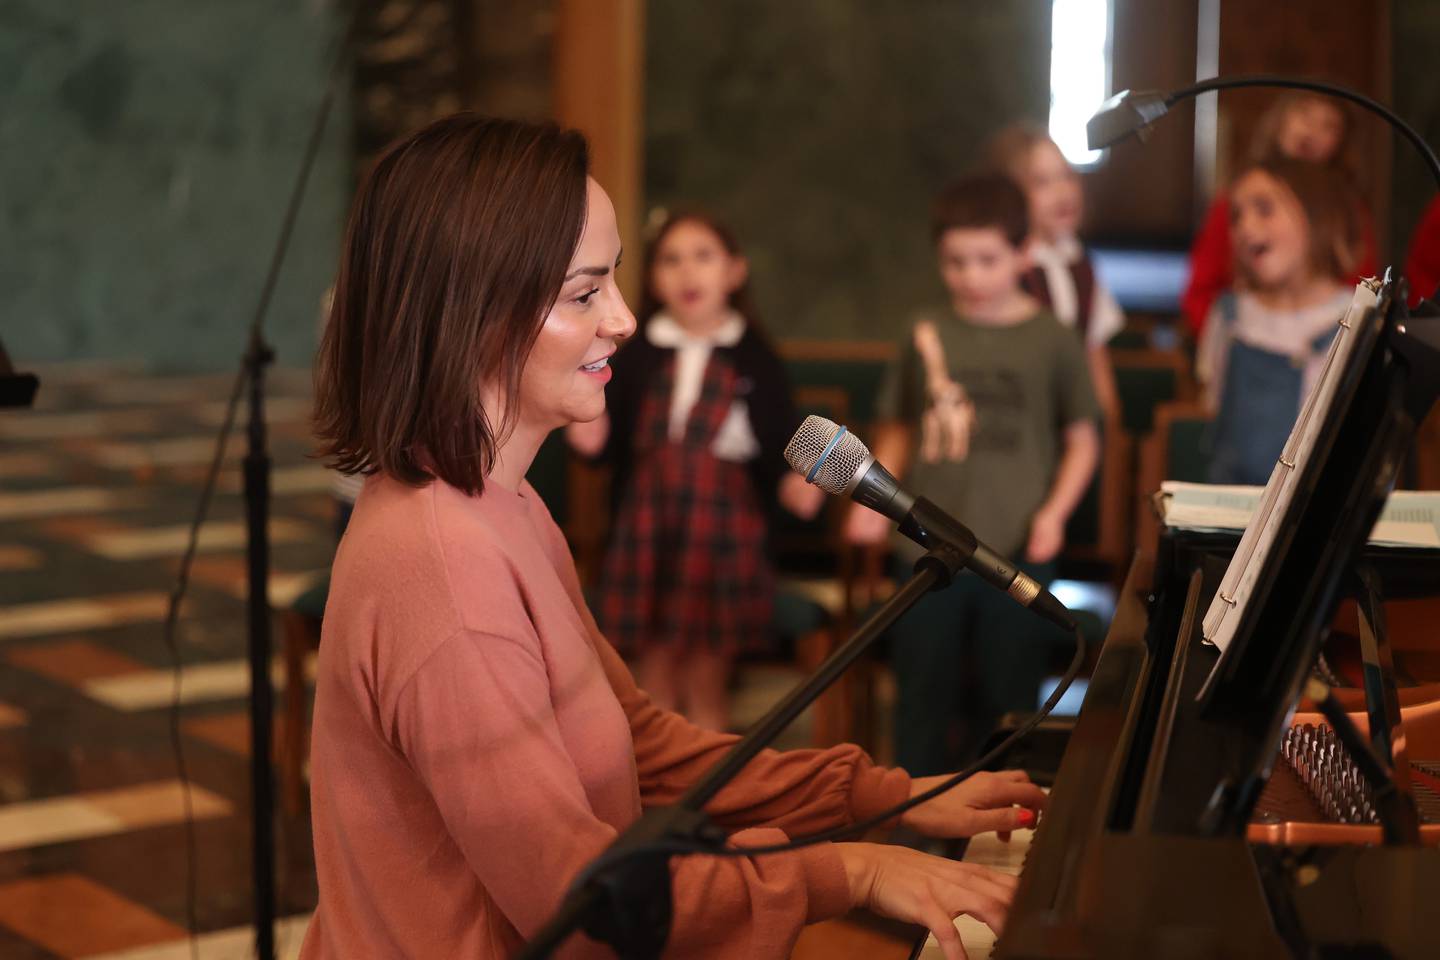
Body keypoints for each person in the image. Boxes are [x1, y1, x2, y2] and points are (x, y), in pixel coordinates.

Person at [302, 114, 1044, 960]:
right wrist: (851, 872)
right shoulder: (444, 572)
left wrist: (881, 797)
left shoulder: (501, 503)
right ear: (473, 312)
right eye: (585, 294)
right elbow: (586, 902)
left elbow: (639, 744)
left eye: (614, 281)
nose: (621, 320)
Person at [845, 173, 1100, 777]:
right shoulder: (924, 331)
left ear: (1023, 253)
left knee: (1006, 692)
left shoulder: (1053, 339)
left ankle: (995, 812)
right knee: (922, 690)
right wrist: (865, 498)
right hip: (925, 542)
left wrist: (1054, 515)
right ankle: (915, 814)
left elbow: (1084, 441)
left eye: (987, 260)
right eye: (955, 261)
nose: (970, 275)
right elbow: (900, 427)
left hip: (1016, 547)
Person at [565, 211, 822, 731]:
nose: (688, 273)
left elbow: (785, 438)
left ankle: (708, 794)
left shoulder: (754, 356)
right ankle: (657, 790)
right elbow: (607, 443)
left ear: (734, 270)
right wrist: (589, 438)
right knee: (651, 675)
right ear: (653, 277)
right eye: (671, 260)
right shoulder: (636, 355)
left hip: (722, 534)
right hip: (648, 527)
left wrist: (799, 480)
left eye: (702, 257)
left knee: (706, 678)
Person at [1196, 158, 1361, 485]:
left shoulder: (1355, 320)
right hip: (1231, 510)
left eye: (1264, 209)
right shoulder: (1229, 316)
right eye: (1236, 216)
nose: (1245, 227)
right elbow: (1213, 411)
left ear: (1315, 215)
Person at [1182, 92, 1375, 338]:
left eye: (1328, 125)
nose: (1311, 131)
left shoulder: (1350, 214)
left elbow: (1362, 292)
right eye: (1304, 113)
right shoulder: (1234, 201)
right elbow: (1200, 292)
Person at [987, 123, 1122, 421]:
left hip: (1072, 417)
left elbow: (1094, 354)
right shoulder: (1004, 268)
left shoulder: (1080, 265)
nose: (1062, 192)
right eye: (1042, 182)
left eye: (1066, 177)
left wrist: (1107, 422)